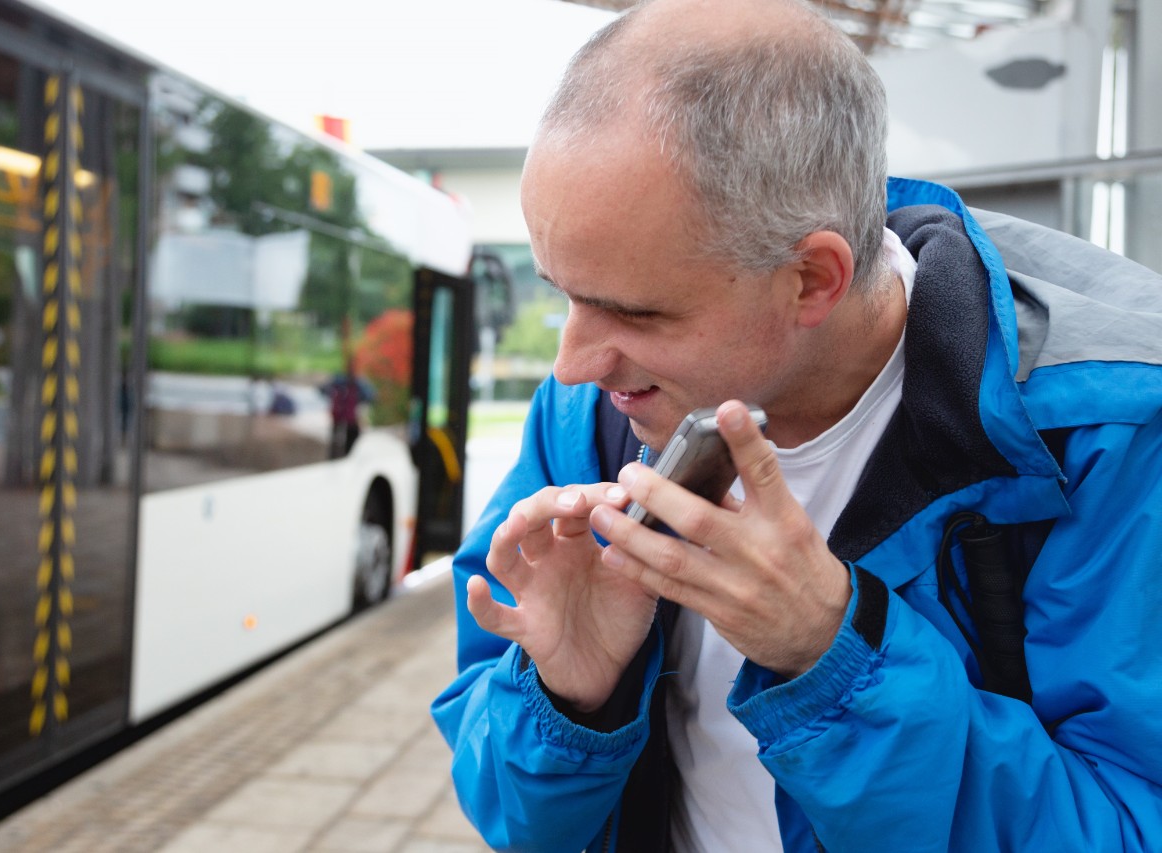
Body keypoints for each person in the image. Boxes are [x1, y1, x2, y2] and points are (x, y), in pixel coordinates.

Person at [431, 0, 1162, 850]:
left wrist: (833, 655)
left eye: (634, 312)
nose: (572, 363)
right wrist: (567, 696)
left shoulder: (1103, 436)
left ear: (813, 278)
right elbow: (511, 815)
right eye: (563, 291)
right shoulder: (592, 413)